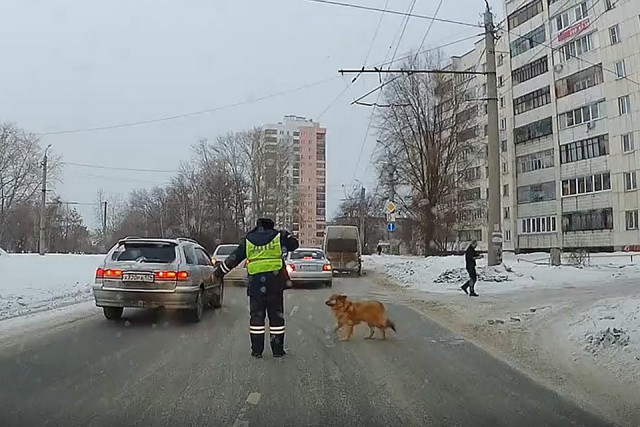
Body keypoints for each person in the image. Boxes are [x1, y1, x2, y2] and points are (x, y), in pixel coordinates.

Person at [214, 218, 299, 359]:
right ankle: (277, 350)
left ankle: (257, 351)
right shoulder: (278, 237)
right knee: (276, 319)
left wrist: (219, 272)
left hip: (256, 285)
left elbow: (234, 258)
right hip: (275, 283)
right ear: (270, 226)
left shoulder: (248, 239)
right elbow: (294, 245)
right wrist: (288, 235)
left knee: (256, 318)